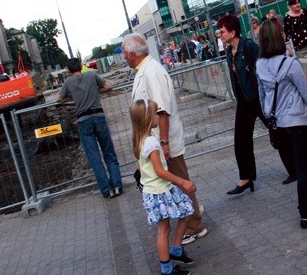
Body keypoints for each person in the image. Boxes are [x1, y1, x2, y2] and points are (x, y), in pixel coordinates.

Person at [123, 33, 208, 245]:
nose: (124, 57)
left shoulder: (151, 72)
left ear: (132, 54)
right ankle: (193, 214)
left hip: (163, 141)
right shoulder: (145, 70)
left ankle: (194, 225)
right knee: (177, 180)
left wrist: (163, 142)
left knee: (180, 180)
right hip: (159, 142)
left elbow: (162, 111)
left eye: (125, 54)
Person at [256, 20, 307, 228]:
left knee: (305, 161)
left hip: (279, 123)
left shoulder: (260, 64)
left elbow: (261, 96)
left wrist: (269, 112)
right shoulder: (291, 64)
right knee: (305, 165)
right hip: (297, 121)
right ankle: (305, 213)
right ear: (280, 36)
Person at [130, 98, 196, 275]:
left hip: (155, 191)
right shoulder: (151, 142)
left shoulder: (141, 140)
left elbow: (142, 166)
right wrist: (182, 181)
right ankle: (166, 267)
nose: (158, 117)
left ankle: (175, 249)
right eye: (155, 114)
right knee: (164, 229)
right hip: (161, 190)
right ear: (146, 118)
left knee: (185, 211)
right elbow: (160, 171)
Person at [57, 58, 123, 199]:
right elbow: (109, 86)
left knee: (94, 158)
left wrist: (72, 97)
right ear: (81, 66)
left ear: (68, 70)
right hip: (99, 117)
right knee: (109, 153)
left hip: (83, 120)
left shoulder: (68, 82)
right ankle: (117, 186)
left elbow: (58, 99)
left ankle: (107, 190)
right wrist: (96, 91)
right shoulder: (91, 76)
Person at [217, 15, 266, 195]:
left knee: (278, 131)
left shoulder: (249, 47)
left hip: (257, 97)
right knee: (241, 140)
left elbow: (263, 66)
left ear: (233, 32)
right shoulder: (229, 52)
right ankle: (246, 178)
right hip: (244, 100)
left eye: (222, 31)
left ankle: (295, 168)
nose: (220, 35)